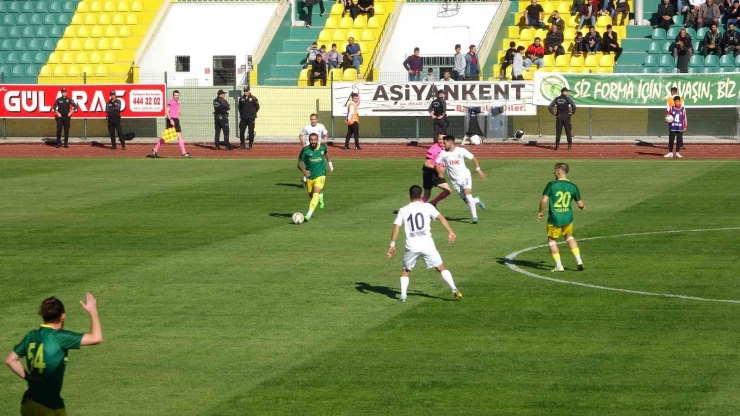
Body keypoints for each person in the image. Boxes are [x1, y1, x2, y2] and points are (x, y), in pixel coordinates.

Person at [4, 293, 103, 416]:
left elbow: (10, 360)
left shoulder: (31, 335)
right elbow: (96, 338)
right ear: (63, 316)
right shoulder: (60, 337)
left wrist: (29, 378)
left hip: (29, 404)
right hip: (50, 406)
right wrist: (93, 312)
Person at [387, 185, 462, 302]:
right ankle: (453, 288)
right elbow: (441, 218)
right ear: (421, 196)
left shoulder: (403, 210)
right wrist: (450, 232)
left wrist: (392, 245)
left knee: (406, 270)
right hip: (427, 244)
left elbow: (396, 227)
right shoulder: (428, 206)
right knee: (441, 268)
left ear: (409, 196)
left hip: (412, 246)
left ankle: (403, 296)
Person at [537, 163, 585, 272]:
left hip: (555, 218)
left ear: (559, 172)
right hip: (568, 218)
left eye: (554, 171)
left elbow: (544, 200)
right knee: (569, 237)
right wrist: (582, 207)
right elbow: (581, 204)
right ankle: (579, 261)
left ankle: (559, 266)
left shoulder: (551, 185)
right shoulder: (573, 186)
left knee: (552, 240)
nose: (554, 173)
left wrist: (540, 211)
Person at [435, 135, 487, 224]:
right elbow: (436, 163)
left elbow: (473, 158)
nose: (443, 145)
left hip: (465, 176)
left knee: (467, 193)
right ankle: (477, 200)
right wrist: (439, 172)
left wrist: (478, 170)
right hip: (455, 181)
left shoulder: (461, 151)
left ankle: (474, 217)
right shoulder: (443, 153)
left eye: (445, 143)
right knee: (468, 201)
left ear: (450, 143)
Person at [297, 133, 333, 221]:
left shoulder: (322, 147)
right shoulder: (305, 150)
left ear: (317, 140)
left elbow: (326, 153)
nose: (313, 141)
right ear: (309, 140)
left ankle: (308, 215)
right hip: (310, 176)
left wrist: (330, 164)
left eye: (315, 140)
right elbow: (299, 164)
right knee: (312, 195)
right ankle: (320, 197)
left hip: (321, 174)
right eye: (311, 140)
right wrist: (304, 171)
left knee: (315, 192)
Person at [153, 90, 190, 158]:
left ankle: (184, 153)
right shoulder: (171, 102)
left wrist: (179, 111)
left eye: (177, 95)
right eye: (175, 95)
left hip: (176, 120)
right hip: (172, 120)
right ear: (173, 95)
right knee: (165, 138)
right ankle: (155, 149)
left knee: (180, 137)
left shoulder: (177, 102)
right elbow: (166, 111)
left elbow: (176, 108)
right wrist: (170, 120)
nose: (176, 96)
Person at [421, 133, 453, 206]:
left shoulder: (445, 148)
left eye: (443, 139)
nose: (441, 141)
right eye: (439, 139)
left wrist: (444, 167)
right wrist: (439, 169)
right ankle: (432, 203)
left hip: (433, 173)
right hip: (430, 173)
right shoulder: (433, 149)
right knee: (447, 190)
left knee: (426, 195)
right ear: (437, 139)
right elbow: (426, 163)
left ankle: (416, 208)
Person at [298, 113, 329, 187]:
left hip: (317, 148)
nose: (313, 121)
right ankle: (307, 178)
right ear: (310, 120)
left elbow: (326, 133)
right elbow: (300, 135)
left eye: (314, 119)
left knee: (315, 164)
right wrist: (303, 144)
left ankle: (306, 179)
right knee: (310, 164)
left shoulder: (321, 126)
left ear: (317, 119)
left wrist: (326, 137)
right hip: (309, 149)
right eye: (312, 119)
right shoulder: (306, 127)